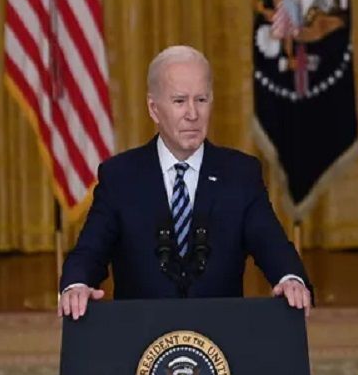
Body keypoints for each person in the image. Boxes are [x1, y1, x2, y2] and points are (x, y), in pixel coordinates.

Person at [58, 45, 312, 320]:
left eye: (201, 100)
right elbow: (89, 252)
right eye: (180, 101)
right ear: (154, 109)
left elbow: (272, 243)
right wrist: (76, 285)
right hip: (141, 333)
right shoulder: (120, 177)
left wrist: (291, 278)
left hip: (219, 334)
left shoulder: (240, 174)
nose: (193, 114)